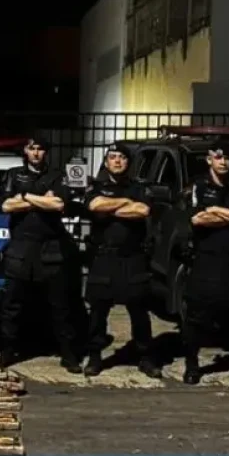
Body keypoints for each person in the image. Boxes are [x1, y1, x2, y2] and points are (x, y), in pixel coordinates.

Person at [0, 138, 81, 373]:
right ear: (25, 151)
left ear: (46, 152)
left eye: (40, 148)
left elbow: (58, 204)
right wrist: (42, 199)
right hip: (21, 248)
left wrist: (25, 197)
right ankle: (8, 351)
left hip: (51, 249)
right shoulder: (13, 175)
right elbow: (6, 207)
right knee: (12, 305)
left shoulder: (57, 175)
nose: (36, 153)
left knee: (60, 305)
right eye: (32, 148)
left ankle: (68, 354)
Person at [181, 140, 229, 386]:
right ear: (209, 160)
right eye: (218, 157)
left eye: (227, 158)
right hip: (207, 261)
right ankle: (192, 365)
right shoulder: (198, 186)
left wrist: (217, 210)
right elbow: (198, 219)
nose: (223, 162)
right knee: (197, 317)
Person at [82, 144, 160, 378]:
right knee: (98, 311)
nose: (117, 161)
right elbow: (95, 206)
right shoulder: (95, 187)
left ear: (128, 162)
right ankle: (95, 357)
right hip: (103, 257)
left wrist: (111, 207)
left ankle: (145, 356)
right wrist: (125, 203)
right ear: (106, 162)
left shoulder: (139, 187)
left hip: (133, 257)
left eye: (122, 158)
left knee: (139, 310)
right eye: (112, 157)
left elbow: (143, 211)